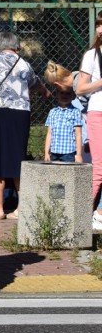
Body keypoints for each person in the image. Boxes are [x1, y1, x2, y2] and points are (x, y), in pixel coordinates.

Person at [0, 31, 51, 221]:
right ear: (16, 45)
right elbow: (35, 82)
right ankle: (21, 209)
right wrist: (45, 92)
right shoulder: (23, 63)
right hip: (20, 114)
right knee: (17, 158)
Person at [75, 14, 102, 229]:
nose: (101, 29)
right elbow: (80, 88)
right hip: (98, 113)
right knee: (99, 167)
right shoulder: (92, 55)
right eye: (100, 24)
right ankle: (83, 217)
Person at [44, 87, 83, 163]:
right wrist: (46, 152)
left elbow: (78, 135)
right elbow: (49, 134)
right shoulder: (52, 112)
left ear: (73, 96)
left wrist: (79, 154)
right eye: (62, 93)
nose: (64, 95)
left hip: (68, 153)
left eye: (68, 93)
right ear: (57, 94)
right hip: (54, 152)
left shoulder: (75, 112)